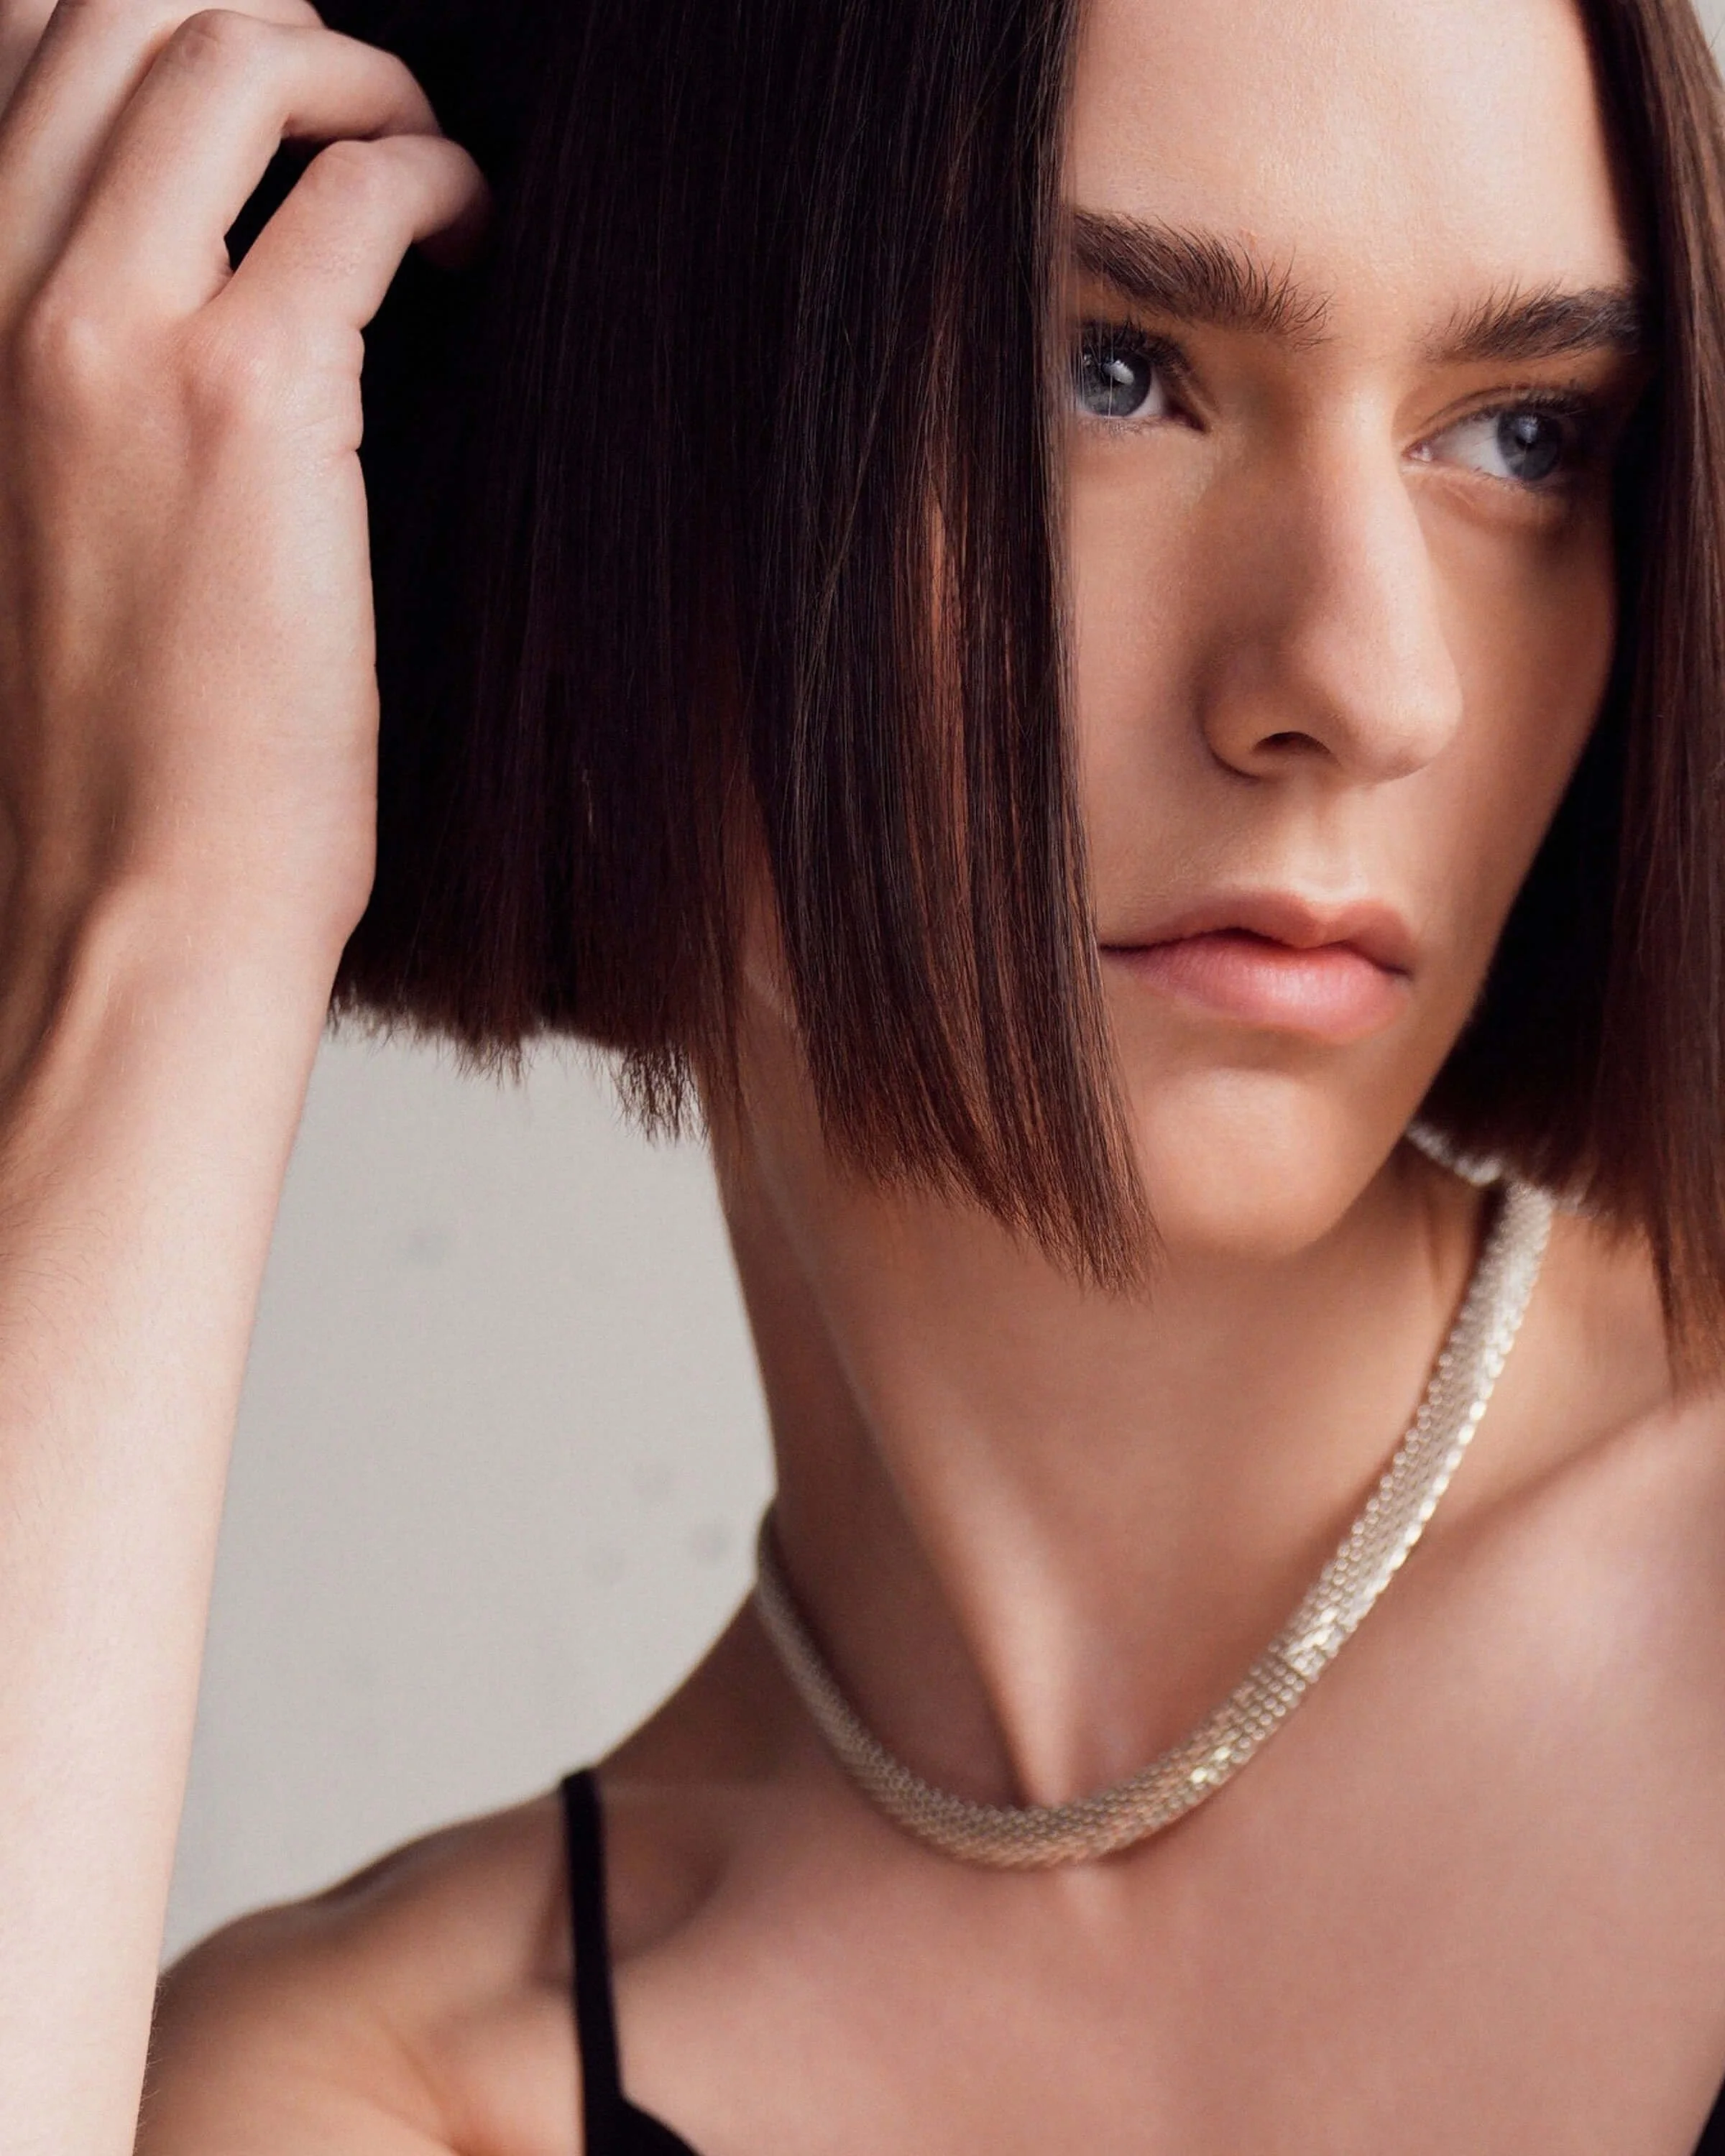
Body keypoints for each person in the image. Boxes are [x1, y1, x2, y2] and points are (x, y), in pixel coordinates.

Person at [4, 0, 1725, 2145]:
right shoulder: (397, 2083)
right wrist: (157, 928)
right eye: (1108, 374)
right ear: (604, 442)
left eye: (1527, 433)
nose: (1374, 686)